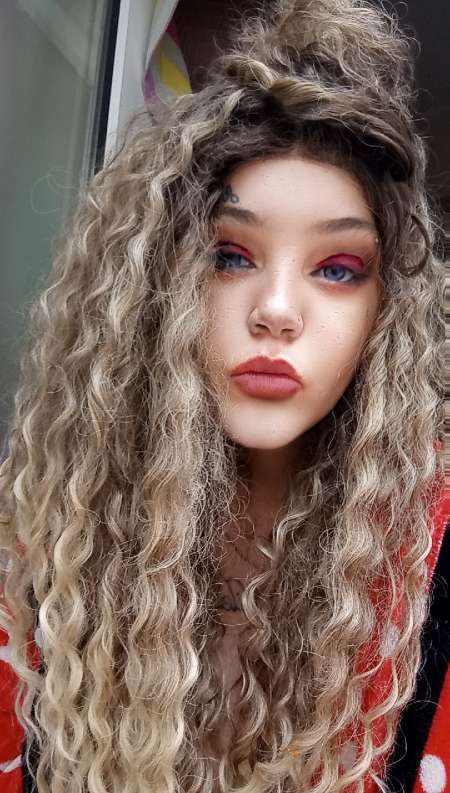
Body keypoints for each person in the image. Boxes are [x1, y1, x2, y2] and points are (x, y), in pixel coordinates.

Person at [0, 0, 448, 791]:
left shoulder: (433, 561)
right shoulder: (55, 536)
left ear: (387, 311)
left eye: (337, 268)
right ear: (158, 279)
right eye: (230, 256)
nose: (276, 310)